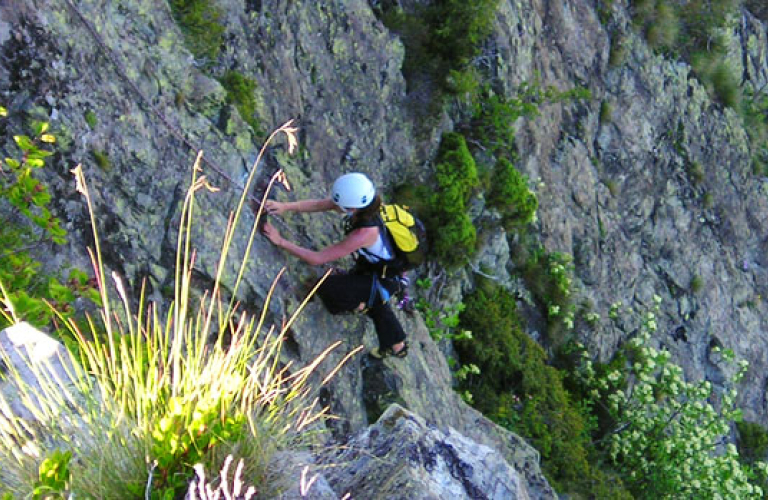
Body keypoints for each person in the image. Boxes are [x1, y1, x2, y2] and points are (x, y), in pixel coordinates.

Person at [261, 172, 409, 359]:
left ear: (353, 208)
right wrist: (285, 207)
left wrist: (281, 241)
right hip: (378, 270)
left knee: (327, 287)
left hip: (383, 278)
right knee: (373, 295)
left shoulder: (364, 233)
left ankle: (363, 305)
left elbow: (317, 258)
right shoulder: (367, 205)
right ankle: (397, 344)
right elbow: (320, 204)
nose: (336, 206)